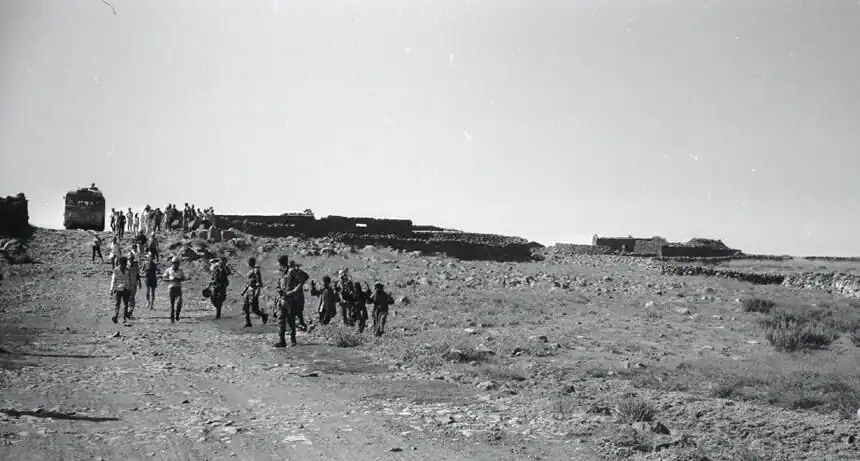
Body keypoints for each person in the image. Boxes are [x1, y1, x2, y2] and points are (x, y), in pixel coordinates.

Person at [274, 255, 305, 347]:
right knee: (281, 320)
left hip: (290, 299)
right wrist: (278, 289)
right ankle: (282, 340)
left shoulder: (291, 271)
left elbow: (304, 278)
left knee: (290, 319)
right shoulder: (282, 272)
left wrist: (295, 290)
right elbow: (278, 283)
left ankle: (293, 340)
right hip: (281, 299)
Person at [242, 257, 268, 327]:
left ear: (250, 263)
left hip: (254, 291)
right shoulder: (250, 271)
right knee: (246, 307)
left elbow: (259, 282)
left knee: (254, 309)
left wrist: (258, 291)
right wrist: (244, 290)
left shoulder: (256, 271)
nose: (247, 264)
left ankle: (264, 316)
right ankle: (248, 323)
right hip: (248, 291)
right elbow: (249, 282)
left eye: (248, 262)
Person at [163, 256, 186, 323]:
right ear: (172, 263)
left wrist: (179, 279)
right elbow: (164, 278)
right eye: (174, 263)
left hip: (178, 287)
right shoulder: (168, 270)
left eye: (177, 263)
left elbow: (183, 278)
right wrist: (170, 279)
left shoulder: (180, 270)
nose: (175, 264)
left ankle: (177, 314)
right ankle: (172, 317)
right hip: (171, 287)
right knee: (172, 304)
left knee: (179, 302)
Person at [109, 256, 132, 324]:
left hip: (126, 288)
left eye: (123, 264)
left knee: (126, 304)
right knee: (117, 303)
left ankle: (124, 318)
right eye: (121, 263)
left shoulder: (127, 270)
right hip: (118, 289)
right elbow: (113, 280)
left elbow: (129, 279)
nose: (122, 265)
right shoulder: (116, 270)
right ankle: (116, 316)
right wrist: (111, 289)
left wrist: (130, 288)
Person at [288, 261, 309, 331]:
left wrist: (301, 282)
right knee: (294, 310)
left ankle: (301, 324)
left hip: (298, 293)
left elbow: (306, 276)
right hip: (292, 293)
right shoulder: (289, 272)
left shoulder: (298, 272)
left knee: (298, 309)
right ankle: (299, 324)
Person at [126, 253, 143, 319]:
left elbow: (138, 275)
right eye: (130, 258)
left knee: (132, 298)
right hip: (127, 284)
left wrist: (140, 282)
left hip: (134, 284)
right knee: (128, 298)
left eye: (132, 258)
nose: (131, 260)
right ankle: (127, 312)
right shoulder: (126, 265)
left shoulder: (136, 266)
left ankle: (130, 312)